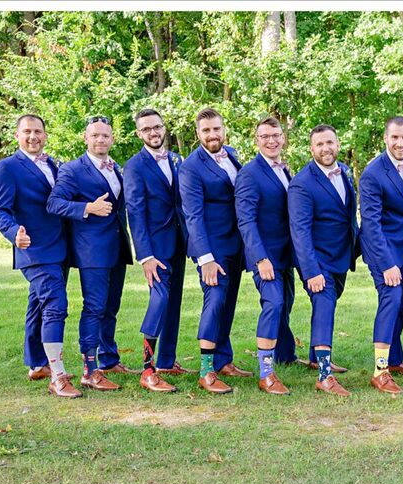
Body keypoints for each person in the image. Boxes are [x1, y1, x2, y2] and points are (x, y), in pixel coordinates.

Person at [0, 114, 79, 398]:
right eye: (27, 132)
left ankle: (37, 364)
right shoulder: (7, 168)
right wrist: (14, 231)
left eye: (38, 131)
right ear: (17, 135)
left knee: (38, 305)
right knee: (55, 304)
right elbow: (0, 210)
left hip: (60, 247)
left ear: (45, 135)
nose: (33, 137)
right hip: (34, 248)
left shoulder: (54, 164)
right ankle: (57, 374)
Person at [47, 115, 136, 393]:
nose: (100, 140)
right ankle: (89, 369)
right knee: (95, 307)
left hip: (117, 248)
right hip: (91, 252)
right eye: (95, 135)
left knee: (111, 308)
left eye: (105, 135)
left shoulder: (116, 168)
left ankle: (109, 359)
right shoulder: (73, 170)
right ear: (86, 138)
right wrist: (87, 208)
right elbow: (54, 203)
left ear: (112, 139)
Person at [179, 108, 251, 395]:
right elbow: (192, 216)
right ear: (198, 133)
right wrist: (205, 258)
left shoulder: (231, 154)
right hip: (211, 249)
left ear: (224, 130)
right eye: (206, 130)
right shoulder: (190, 167)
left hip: (236, 244)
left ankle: (223, 360)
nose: (213, 135)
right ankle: (206, 370)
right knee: (215, 300)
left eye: (217, 129)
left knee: (229, 302)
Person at [123, 108, 193, 394]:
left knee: (174, 301)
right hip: (155, 248)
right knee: (160, 299)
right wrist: (145, 256)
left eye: (157, 127)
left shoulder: (177, 159)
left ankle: (167, 360)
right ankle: (147, 369)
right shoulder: (134, 166)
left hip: (179, 243)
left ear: (165, 128)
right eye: (147, 129)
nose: (153, 133)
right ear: (139, 134)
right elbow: (135, 213)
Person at [287, 124, 359, 397]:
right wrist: (311, 271)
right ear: (311, 149)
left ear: (338, 144)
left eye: (330, 142)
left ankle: (316, 357)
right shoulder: (302, 183)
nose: (326, 148)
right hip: (317, 262)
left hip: (341, 257)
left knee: (329, 303)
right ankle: (324, 375)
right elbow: (300, 231)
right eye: (319, 144)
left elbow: (347, 216)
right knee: (325, 306)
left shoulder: (345, 172)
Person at [235, 117, 304, 391]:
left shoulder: (284, 170)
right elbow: (246, 220)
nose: (271, 140)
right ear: (257, 140)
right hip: (264, 256)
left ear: (283, 137)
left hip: (286, 253)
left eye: (276, 135)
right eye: (265, 136)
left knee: (285, 303)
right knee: (273, 303)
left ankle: (286, 355)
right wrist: (260, 258)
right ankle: (266, 373)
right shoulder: (250, 173)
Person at [359, 116, 403, 395]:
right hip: (381, 247)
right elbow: (370, 223)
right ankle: (380, 370)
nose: (400, 143)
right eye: (394, 138)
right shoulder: (373, 173)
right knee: (391, 299)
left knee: (400, 304)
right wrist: (387, 263)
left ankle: (396, 360)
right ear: (385, 139)